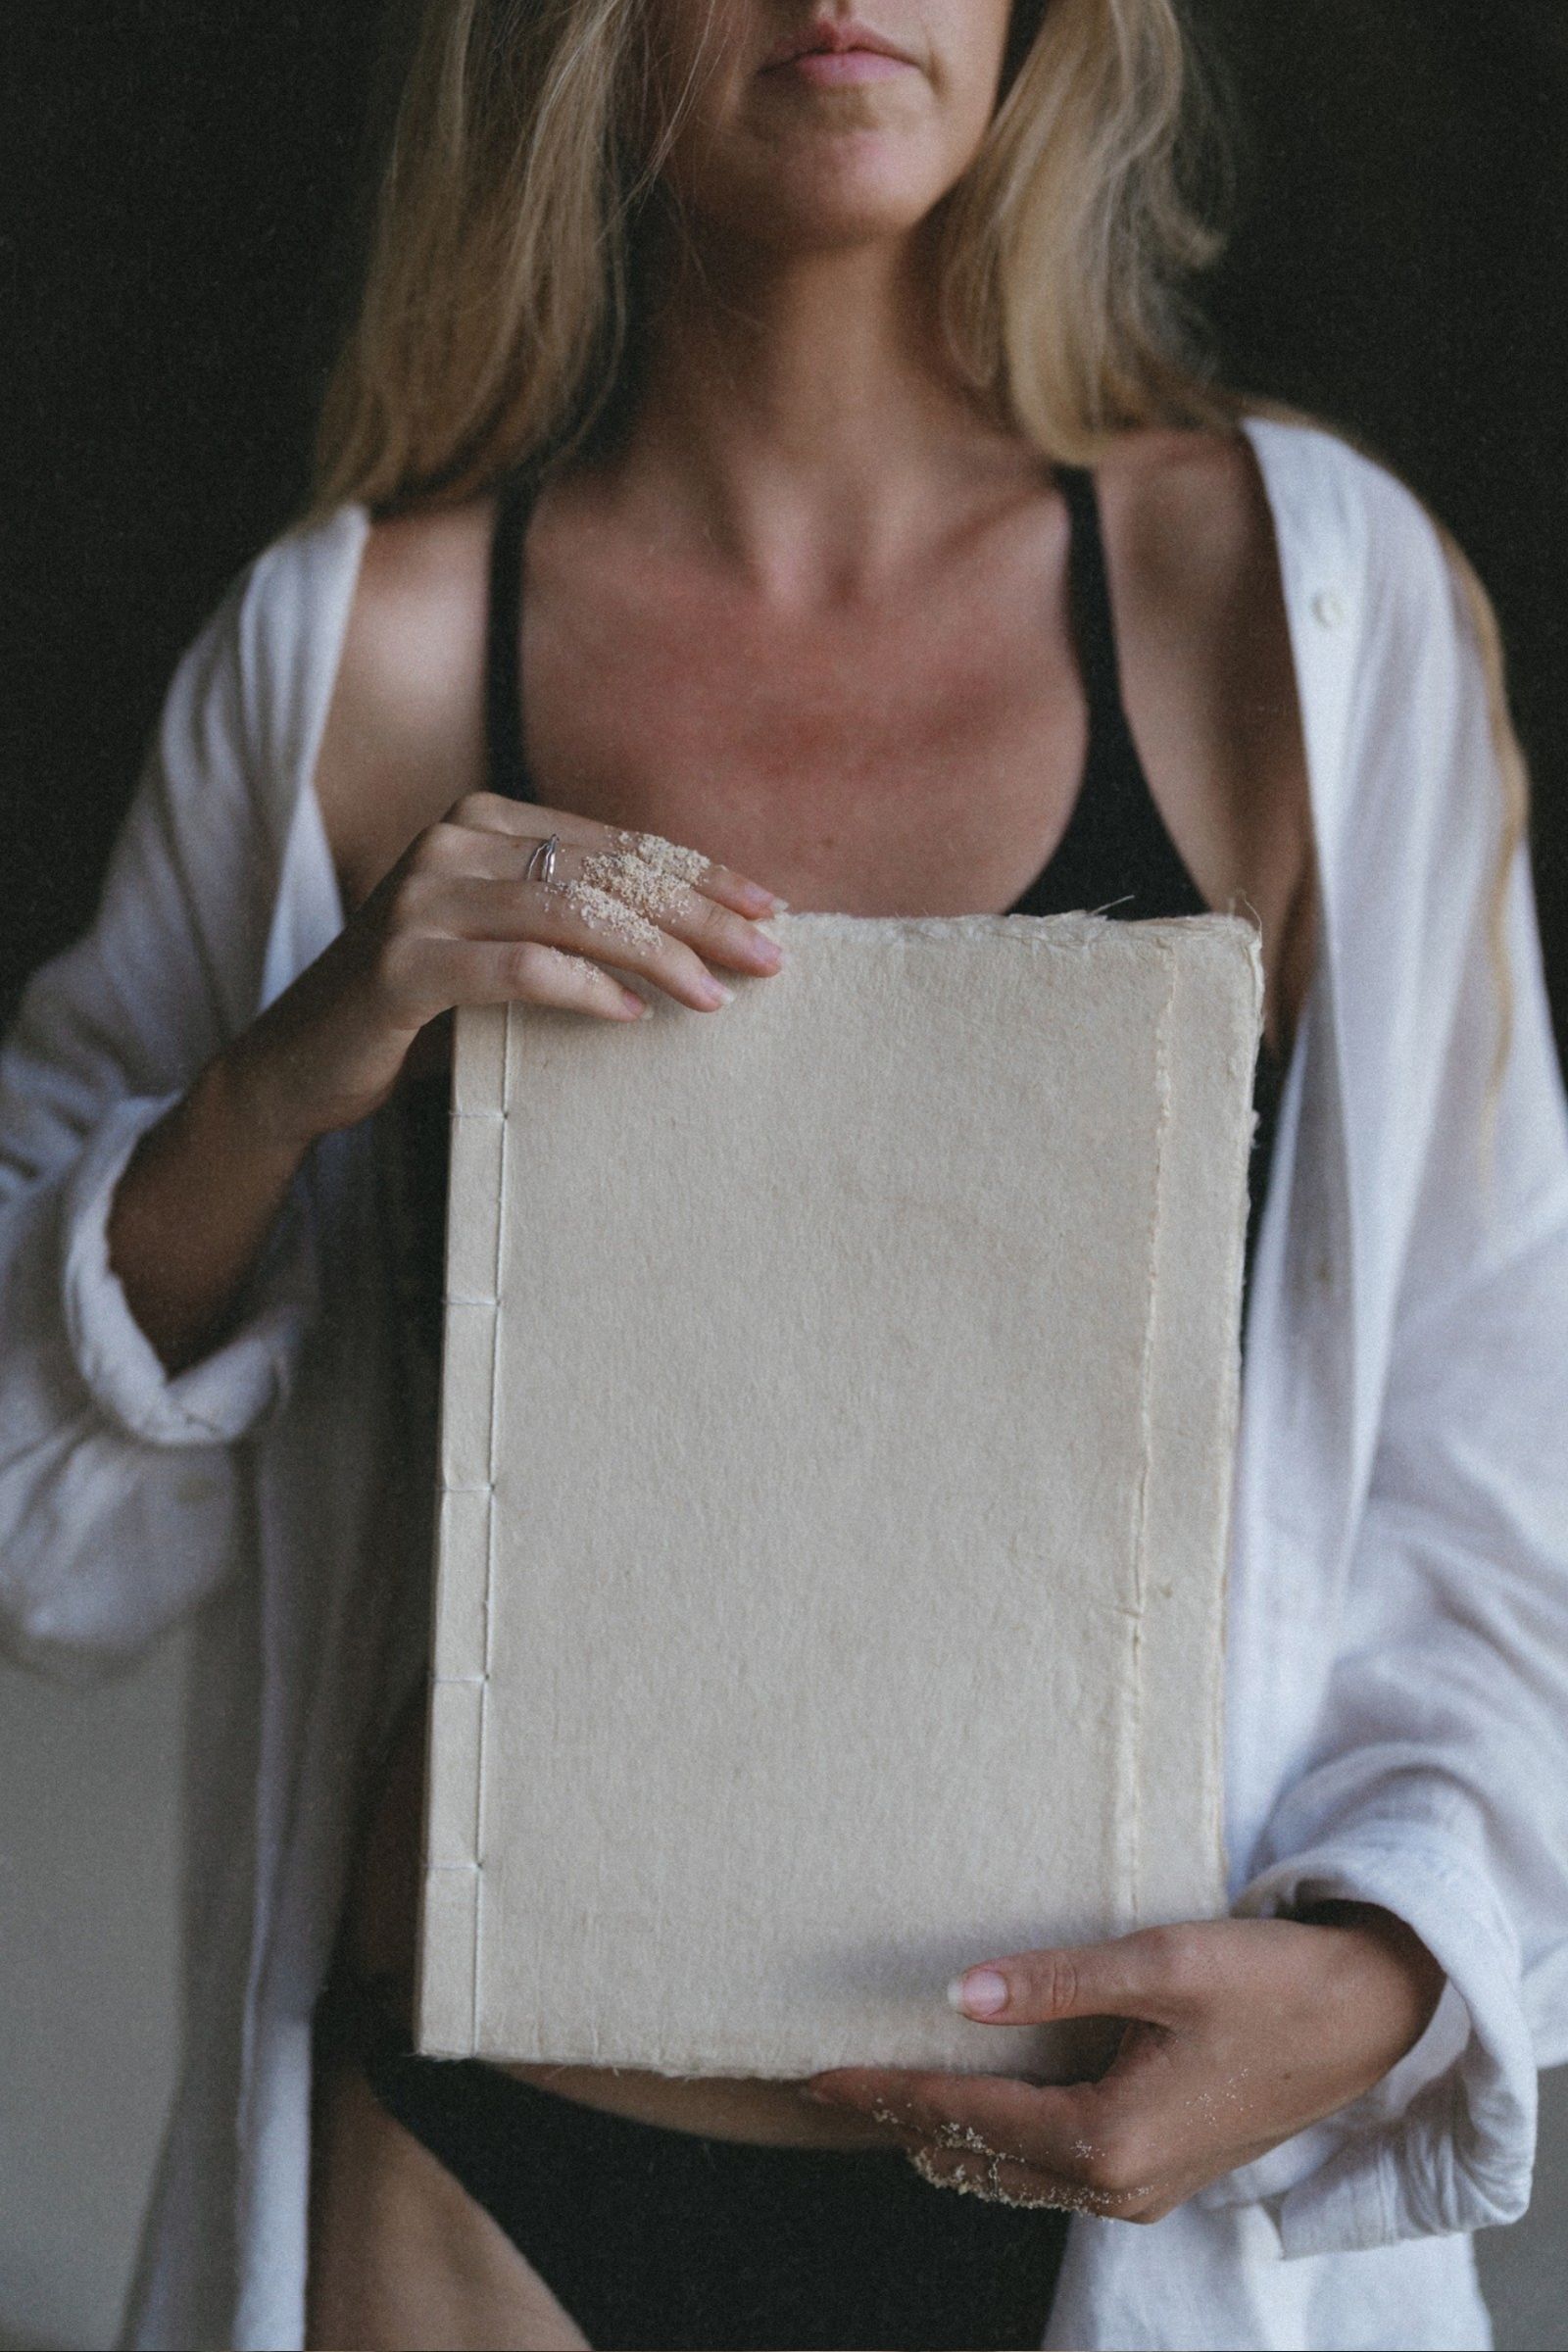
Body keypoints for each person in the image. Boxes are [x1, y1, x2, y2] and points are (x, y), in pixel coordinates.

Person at [2, 1, 1565, 2346]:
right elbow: (48, 1534)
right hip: (468, 2182)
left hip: (1123, 2209)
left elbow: (1494, 1429)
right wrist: (274, 1084)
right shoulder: (355, 644)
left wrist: (1382, 1976)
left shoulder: (1295, 607)